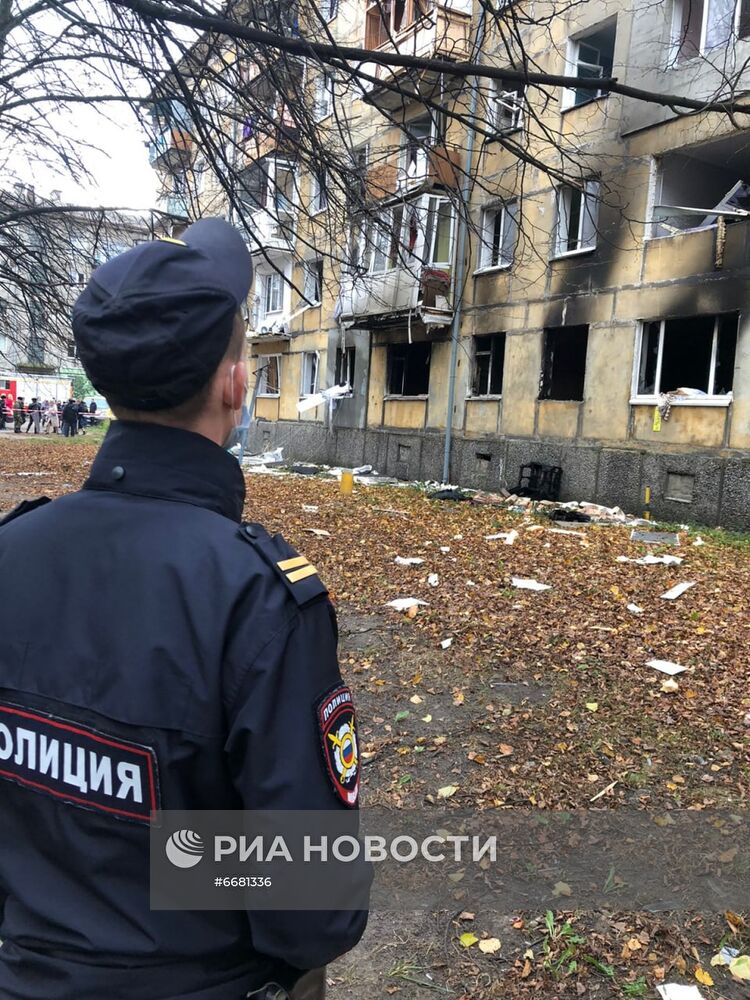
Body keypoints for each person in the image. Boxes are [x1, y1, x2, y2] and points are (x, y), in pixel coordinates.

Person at [0, 218, 368, 1000]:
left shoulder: (11, 553)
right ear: (236, 383)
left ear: (104, 386)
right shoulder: (258, 599)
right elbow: (311, 910)